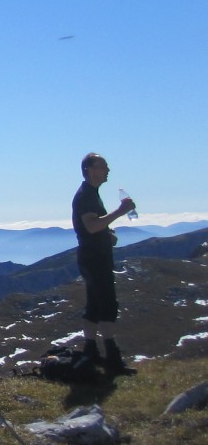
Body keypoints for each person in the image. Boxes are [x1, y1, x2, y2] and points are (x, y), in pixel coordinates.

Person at [72, 152, 137, 375]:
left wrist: (106, 233)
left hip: (91, 256)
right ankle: (113, 359)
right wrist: (120, 212)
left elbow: (92, 227)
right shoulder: (86, 196)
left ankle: (90, 351)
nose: (107, 170)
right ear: (90, 170)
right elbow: (91, 226)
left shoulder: (90, 194)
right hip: (95, 258)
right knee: (107, 305)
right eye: (103, 166)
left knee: (94, 305)